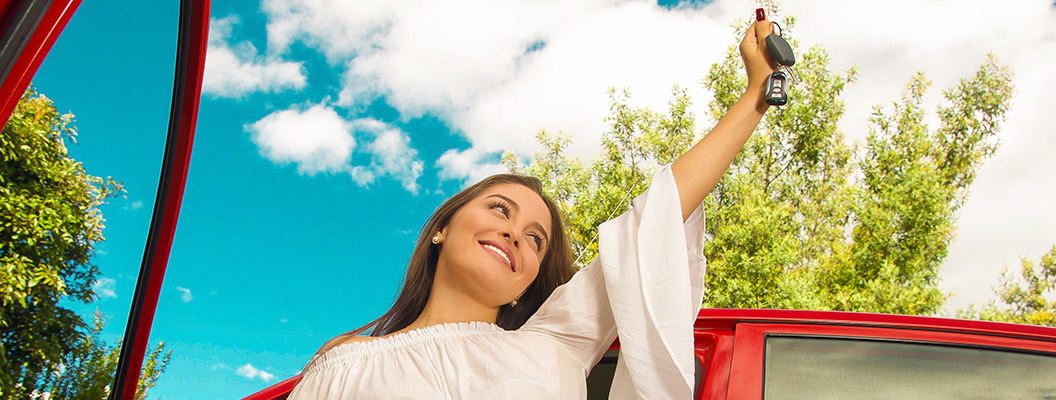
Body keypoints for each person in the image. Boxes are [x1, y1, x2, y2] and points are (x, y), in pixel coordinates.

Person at [289, 13, 779, 399]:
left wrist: (756, 94)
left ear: (530, 279)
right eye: (501, 211)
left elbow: (656, 218)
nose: (515, 234)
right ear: (441, 227)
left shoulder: (554, 343)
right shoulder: (346, 361)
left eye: (535, 239)